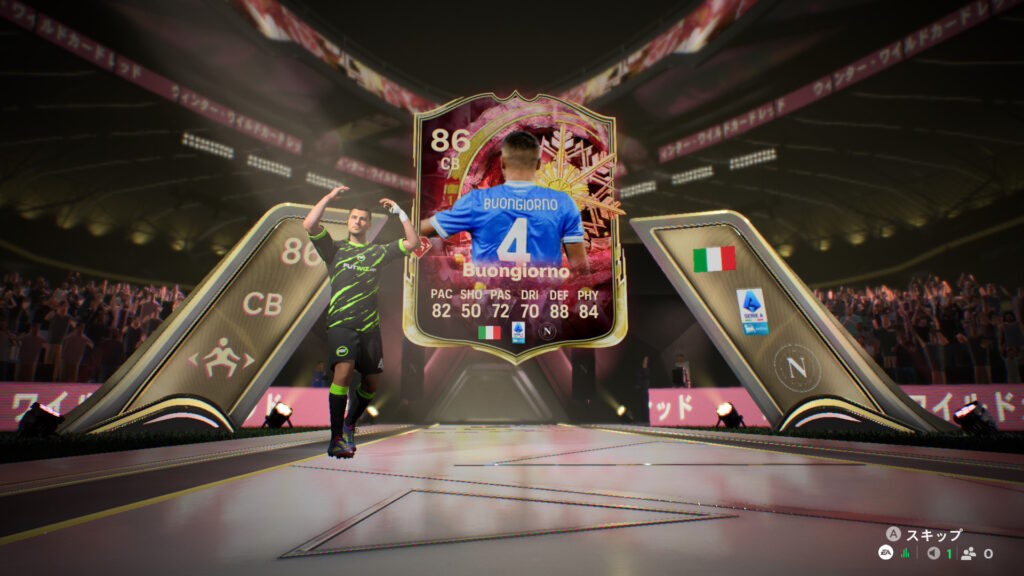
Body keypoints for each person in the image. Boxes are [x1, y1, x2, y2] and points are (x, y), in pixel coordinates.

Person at [304, 185, 418, 458]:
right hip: (341, 324)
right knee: (343, 373)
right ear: (348, 222)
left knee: (371, 385)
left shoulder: (378, 252)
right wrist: (329, 198)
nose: (357, 221)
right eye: (354, 217)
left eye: (363, 219)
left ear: (369, 224)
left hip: (370, 328)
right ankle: (335, 439)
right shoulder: (334, 250)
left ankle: (350, 424)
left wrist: (401, 213)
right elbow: (309, 224)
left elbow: (412, 243)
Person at [419, 131, 589, 273]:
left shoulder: (477, 201)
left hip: (490, 300)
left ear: (503, 163)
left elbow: (422, 229)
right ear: (538, 165)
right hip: (543, 300)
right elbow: (581, 270)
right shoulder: (563, 203)